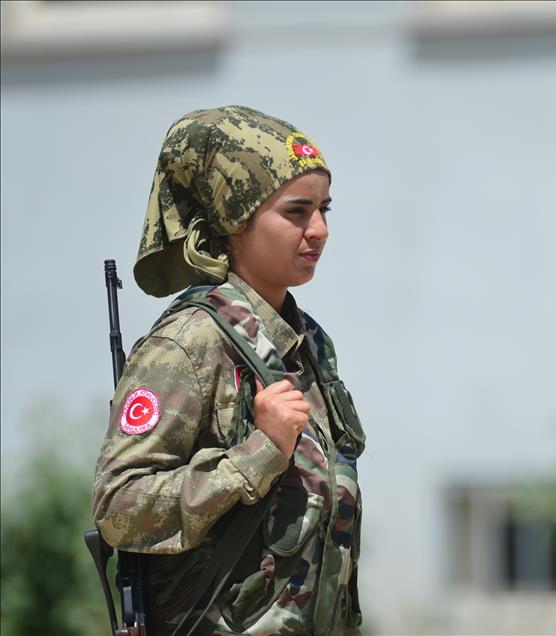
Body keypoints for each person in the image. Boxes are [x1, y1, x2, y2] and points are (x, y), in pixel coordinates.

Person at [92, 105, 366, 636]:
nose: (320, 230)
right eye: (296, 212)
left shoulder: (306, 342)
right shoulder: (190, 344)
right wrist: (257, 454)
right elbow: (118, 506)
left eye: (325, 209)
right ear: (234, 223)